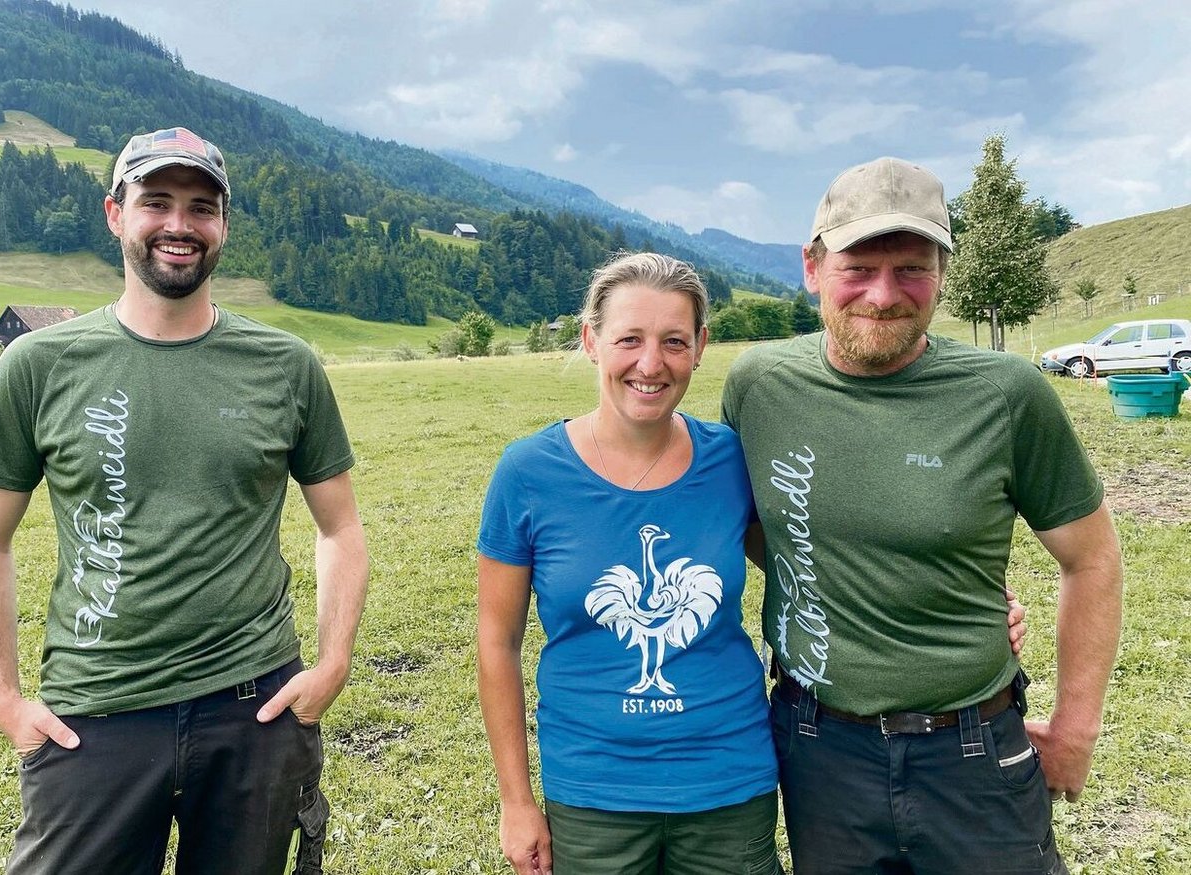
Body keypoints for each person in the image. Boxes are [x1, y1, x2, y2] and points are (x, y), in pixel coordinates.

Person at [0, 126, 369, 874]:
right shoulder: (37, 365)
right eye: (157, 202)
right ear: (116, 213)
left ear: (224, 227)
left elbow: (339, 527)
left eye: (202, 207)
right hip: (94, 717)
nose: (180, 225)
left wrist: (332, 663)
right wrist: (3, 697)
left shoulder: (287, 365)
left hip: (256, 708)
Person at [722, 156, 1123, 874]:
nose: (883, 294)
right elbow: (761, 527)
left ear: (942, 273)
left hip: (974, 751)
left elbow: (1090, 557)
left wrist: (1076, 727)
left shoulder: (1007, 393)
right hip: (817, 747)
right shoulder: (759, 386)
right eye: (858, 267)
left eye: (911, 267)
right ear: (811, 267)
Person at [478, 252, 784, 875]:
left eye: (674, 341)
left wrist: (958, 603)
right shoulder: (528, 473)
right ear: (591, 341)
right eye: (629, 339)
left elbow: (808, 567)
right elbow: (496, 640)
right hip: (593, 790)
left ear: (700, 346)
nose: (651, 364)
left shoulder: (732, 461)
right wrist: (515, 800)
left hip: (728, 779)